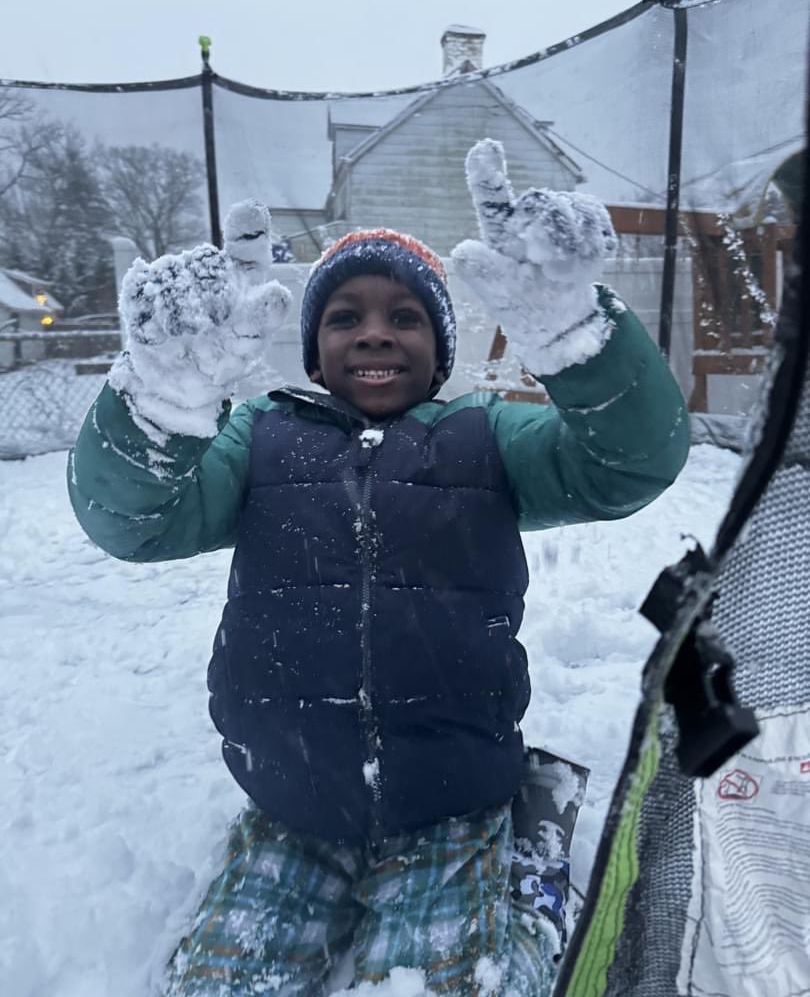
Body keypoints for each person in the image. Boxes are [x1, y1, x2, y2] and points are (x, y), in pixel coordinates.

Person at [68, 139, 689, 996]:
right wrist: (160, 407)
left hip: (452, 794)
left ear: (440, 350)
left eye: (406, 317)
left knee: (464, 984)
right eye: (345, 315)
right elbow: (134, 523)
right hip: (291, 798)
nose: (375, 331)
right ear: (315, 353)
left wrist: (583, 342)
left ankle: (529, 884)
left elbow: (626, 464)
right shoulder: (258, 436)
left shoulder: (485, 435)